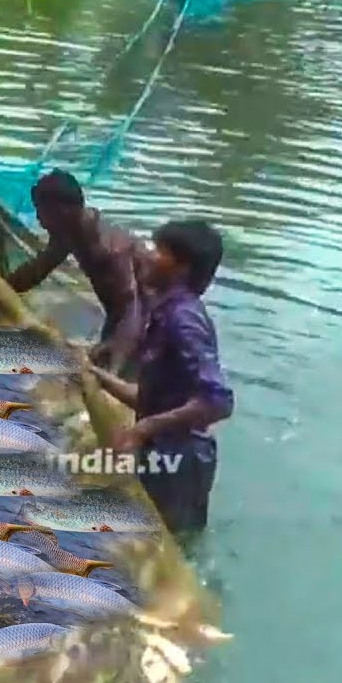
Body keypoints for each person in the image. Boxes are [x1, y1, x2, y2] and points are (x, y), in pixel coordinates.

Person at [88, 219, 234, 534]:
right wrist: (95, 377)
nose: (149, 256)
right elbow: (154, 399)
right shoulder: (165, 313)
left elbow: (218, 401)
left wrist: (143, 428)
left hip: (180, 462)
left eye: (159, 251)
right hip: (165, 455)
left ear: (181, 268)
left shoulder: (183, 320)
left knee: (166, 552)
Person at [7, 169, 149, 374]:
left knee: (117, 377)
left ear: (63, 211)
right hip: (118, 314)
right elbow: (38, 269)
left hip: (147, 319)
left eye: (41, 211)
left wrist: (116, 361)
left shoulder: (109, 247)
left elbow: (132, 307)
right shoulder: (68, 232)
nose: (38, 218)